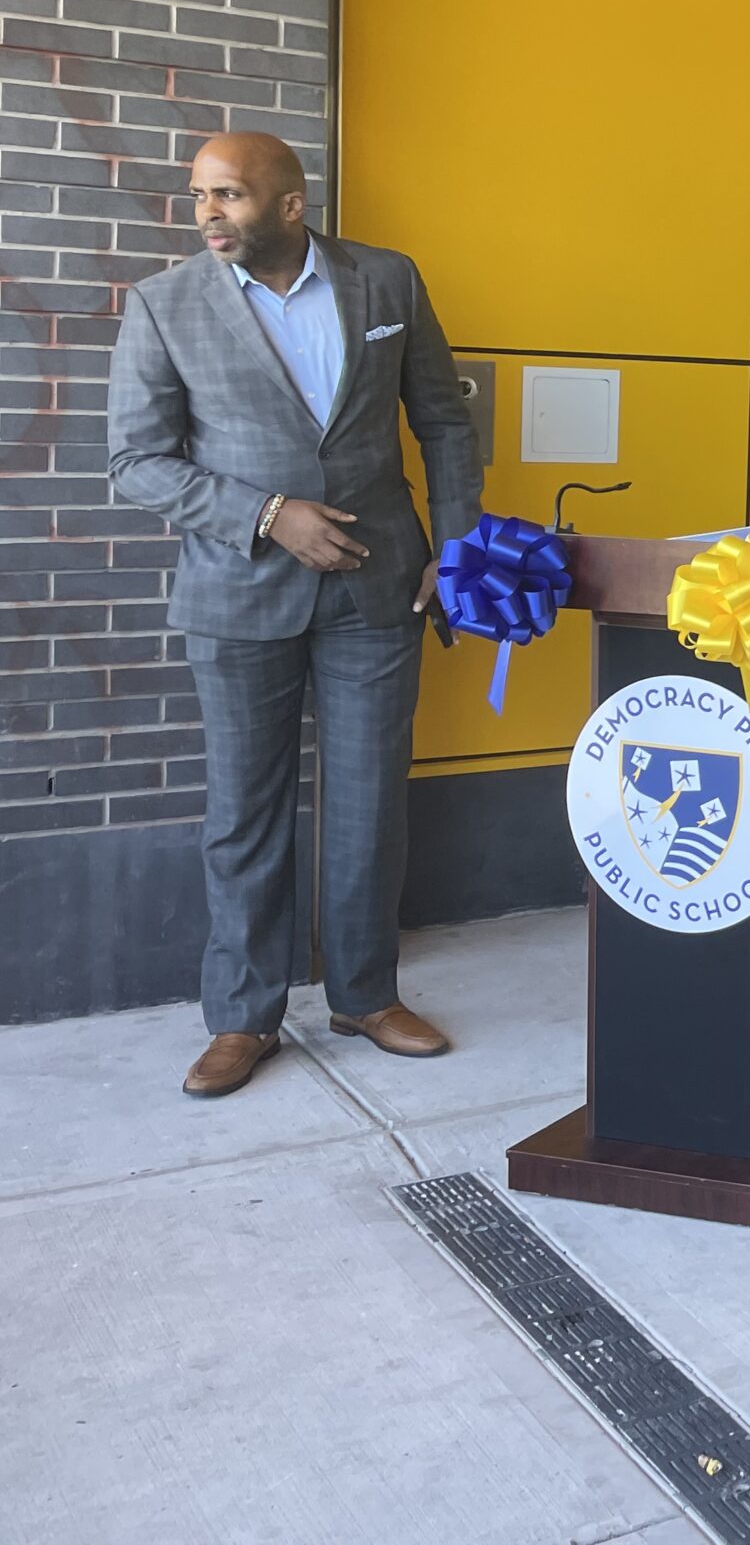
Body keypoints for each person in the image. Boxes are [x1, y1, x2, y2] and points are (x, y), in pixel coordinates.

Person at [106, 133, 482, 1098]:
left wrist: (457, 545)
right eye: (198, 197)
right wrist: (270, 516)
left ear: (289, 203)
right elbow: (137, 462)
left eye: (226, 195)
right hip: (237, 595)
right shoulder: (164, 304)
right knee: (245, 813)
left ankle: (364, 995)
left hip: (379, 588)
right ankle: (243, 1017)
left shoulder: (386, 282)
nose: (205, 214)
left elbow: (441, 418)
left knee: (369, 805)